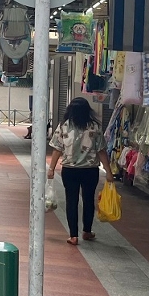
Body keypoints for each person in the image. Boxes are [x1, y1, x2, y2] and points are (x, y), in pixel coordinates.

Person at [47, 97, 111, 246]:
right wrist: (108, 171)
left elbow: (57, 149)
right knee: (88, 200)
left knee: (72, 201)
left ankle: (73, 235)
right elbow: (101, 151)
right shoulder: (95, 127)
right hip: (90, 171)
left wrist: (51, 168)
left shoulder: (64, 126)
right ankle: (87, 231)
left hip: (70, 171)